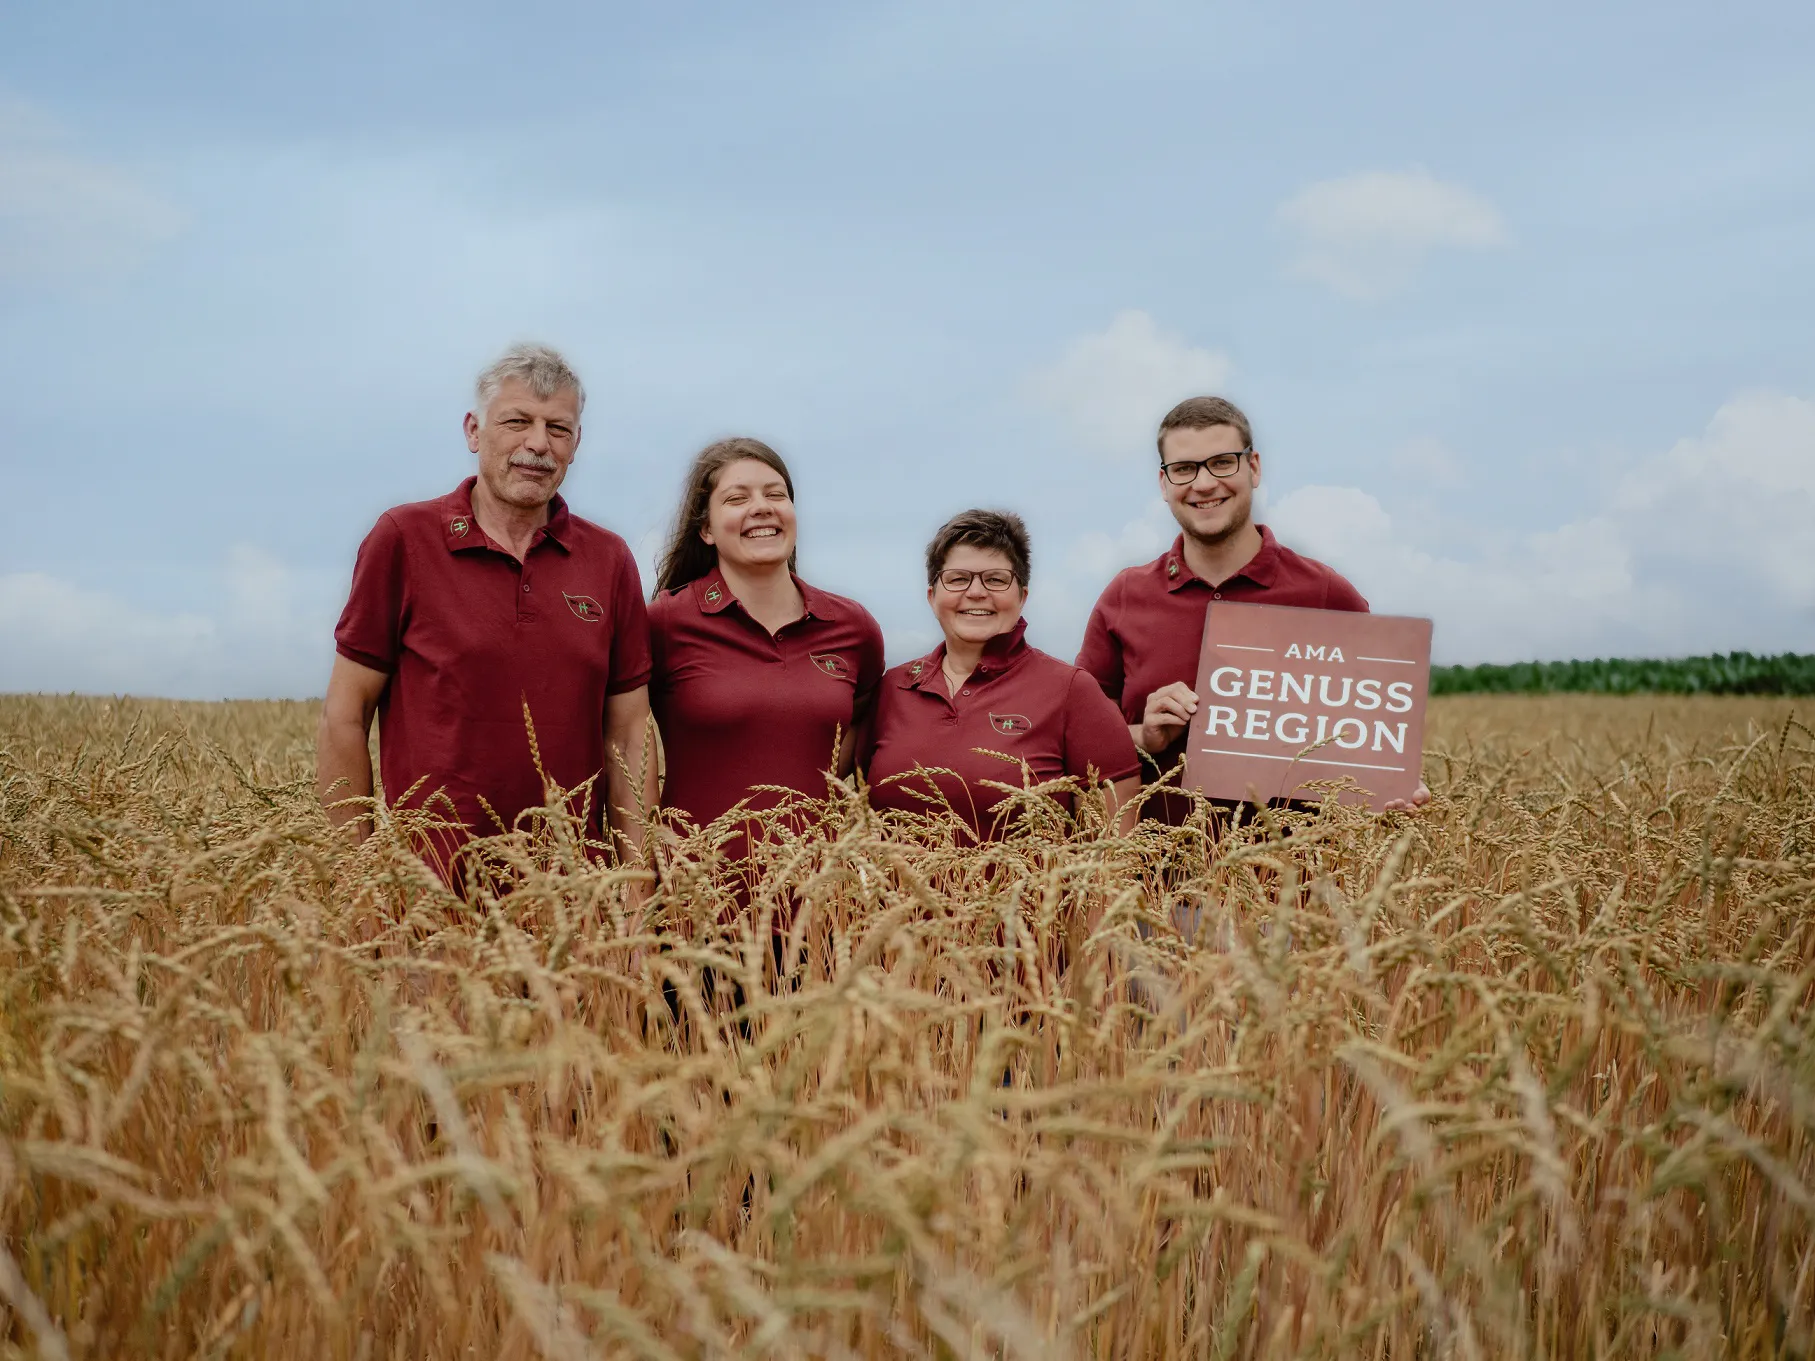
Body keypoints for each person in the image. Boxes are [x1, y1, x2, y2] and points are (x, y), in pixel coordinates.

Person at [316, 343, 657, 881]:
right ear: (474, 431)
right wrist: (360, 883)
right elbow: (344, 715)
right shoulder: (403, 540)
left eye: (558, 429)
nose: (537, 445)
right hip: (430, 898)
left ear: (576, 443)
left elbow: (630, 733)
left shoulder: (609, 560)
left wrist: (636, 892)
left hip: (577, 903)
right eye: (517, 422)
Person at [1077, 395, 1428, 820]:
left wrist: (1395, 783)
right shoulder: (1125, 596)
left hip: (1294, 880)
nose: (1204, 484)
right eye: (1184, 469)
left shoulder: (1326, 595)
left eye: (1222, 462)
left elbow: (1376, 736)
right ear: (1164, 483)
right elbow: (1078, 733)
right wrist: (1144, 735)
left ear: (1254, 467)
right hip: (1151, 879)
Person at [647, 437, 886, 860]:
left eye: (776, 494)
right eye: (737, 498)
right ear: (705, 529)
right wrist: (652, 838)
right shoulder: (665, 622)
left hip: (822, 902)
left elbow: (866, 719)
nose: (762, 507)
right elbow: (622, 733)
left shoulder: (853, 627)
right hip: (695, 895)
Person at [862, 510, 1141, 842]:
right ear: (932, 596)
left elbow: (1114, 858)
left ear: (1022, 596)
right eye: (957, 578)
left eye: (995, 579)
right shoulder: (893, 687)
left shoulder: (1072, 690)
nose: (977, 592)